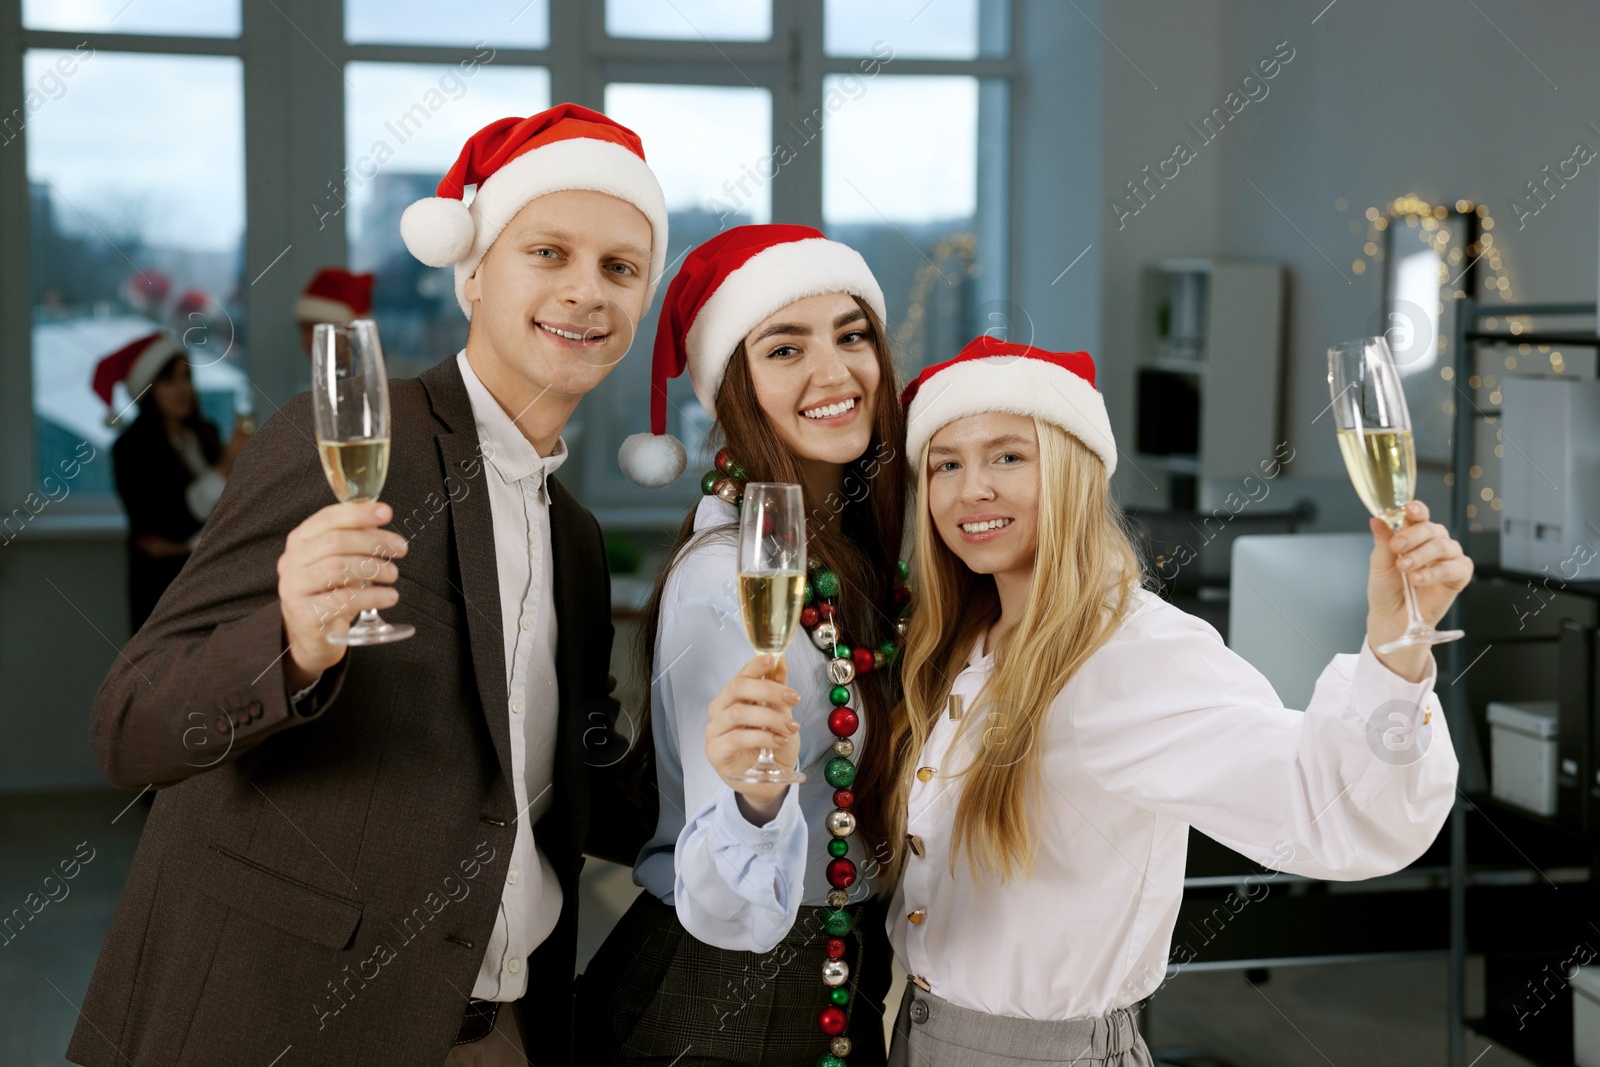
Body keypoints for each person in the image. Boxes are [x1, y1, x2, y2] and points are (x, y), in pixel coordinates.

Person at [66, 103, 669, 1067]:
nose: (586, 292)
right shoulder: (349, 437)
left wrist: (748, 783)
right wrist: (292, 643)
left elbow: (567, 788)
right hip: (282, 1024)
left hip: (496, 1028)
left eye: (620, 267)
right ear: (472, 272)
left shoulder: (577, 539)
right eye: (548, 252)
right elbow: (130, 722)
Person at [874, 337, 1468, 1067]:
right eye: (946, 464)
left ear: (1072, 474)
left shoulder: (1130, 655)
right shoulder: (958, 642)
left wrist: (1395, 644)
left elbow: (1330, 812)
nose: (972, 489)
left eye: (1007, 456)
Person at [576, 225, 910, 1066]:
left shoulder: (863, 556)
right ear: (734, 387)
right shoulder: (727, 581)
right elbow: (721, 885)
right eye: (785, 348)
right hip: (724, 997)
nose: (833, 373)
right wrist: (757, 798)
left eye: (852, 334)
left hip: (837, 976)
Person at [94, 332, 251, 631]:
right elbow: (169, 521)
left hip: (216, 583)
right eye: (169, 382)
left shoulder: (206, 434)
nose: (183, 390)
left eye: (186, 378)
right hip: (163, 592)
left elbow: (233, 510)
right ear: (148, 390)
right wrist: (223, 467)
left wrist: (185, 546)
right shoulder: (130, 449)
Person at [297, 267, 376, 354]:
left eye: (318, 332)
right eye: (304, 331)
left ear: (350, 331)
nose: (305, 343)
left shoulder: (382, 365)